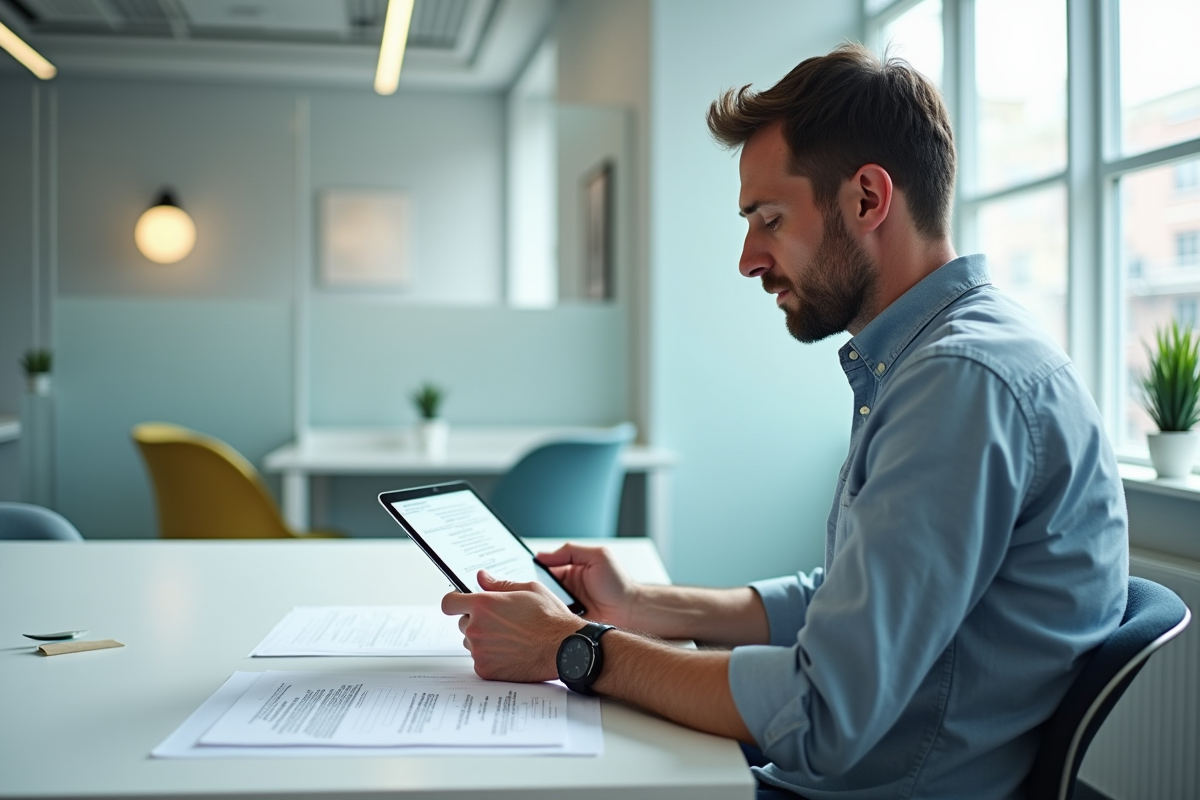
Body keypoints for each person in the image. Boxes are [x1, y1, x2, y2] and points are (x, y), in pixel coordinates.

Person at [441, 43, 1129, 799]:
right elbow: (840, 598)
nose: (748, 259)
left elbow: (820, 711)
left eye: (769, 219)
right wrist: (641, 607)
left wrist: (573, 647)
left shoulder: (958, 383)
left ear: (867, 199)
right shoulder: (942, 360)